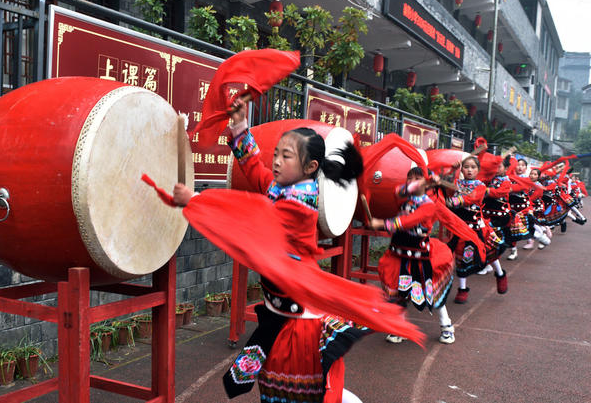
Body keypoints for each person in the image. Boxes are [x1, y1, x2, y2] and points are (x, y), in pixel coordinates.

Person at [172, 97, 378, 403]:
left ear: (310, 167)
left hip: (298, 320)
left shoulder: (299, 206)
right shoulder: (280, 189)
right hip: (280, 310)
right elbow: (256, 170)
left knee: (296, 389)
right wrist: (241, 128)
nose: (277, 161)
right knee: (289, 388)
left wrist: (197, 201)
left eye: (287, 156)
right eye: (277, 154)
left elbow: (249, 224)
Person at [369, 167, 457, 344]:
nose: (412, 181)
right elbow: (397, 191)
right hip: (398, 251)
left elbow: (406, 221)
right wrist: (425, 180)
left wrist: (381, 224)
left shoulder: (428, 206)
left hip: (420, 255)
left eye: (417, 178)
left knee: (430, 290)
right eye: (409, 177)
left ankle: (447, 326)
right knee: (397, 289)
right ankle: (399, 328)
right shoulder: (404, 197)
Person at [444, 156, 504, 303]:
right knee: (460, 256)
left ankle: (500, 274)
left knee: (490, 252)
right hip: (459, 227)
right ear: (462, 169)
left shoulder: (481, 186)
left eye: (473, 167)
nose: (469, 170)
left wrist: (454, 201)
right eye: (466, 167)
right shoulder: (456, 183)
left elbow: (472, 199)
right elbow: (444, 186)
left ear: (478, 170)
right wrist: (452, 169)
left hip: (476, 227)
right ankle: (462, 289)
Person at [478, 156, 511, 293]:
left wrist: (485, 191)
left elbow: (499, 193)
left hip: (499, 217)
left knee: (490, 242)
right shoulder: (489, 179)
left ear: (506, 168)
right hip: (483, 215)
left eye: (500, 167)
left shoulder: (506, 182)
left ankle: (498, 272)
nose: (497, 170)